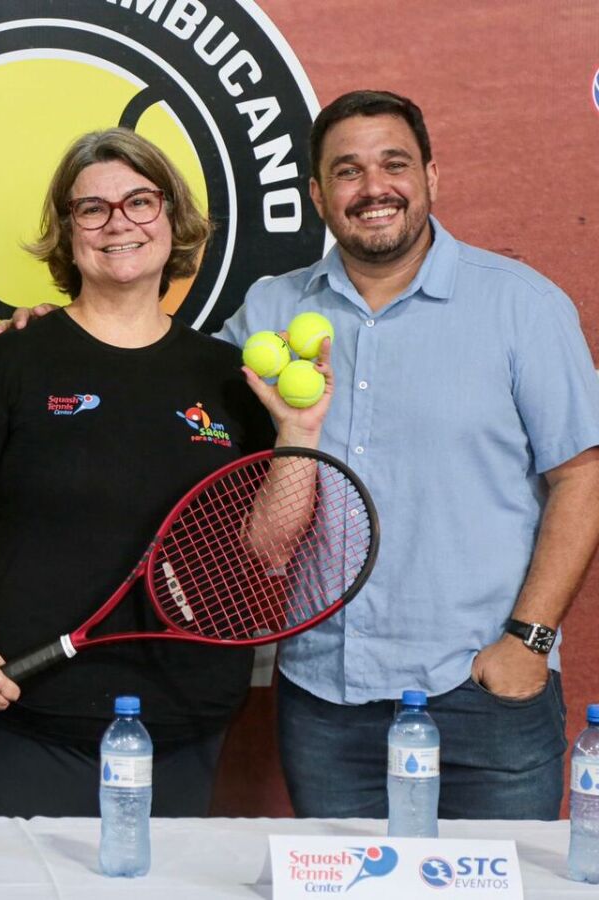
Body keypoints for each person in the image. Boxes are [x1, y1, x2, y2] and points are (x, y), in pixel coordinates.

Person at [0, 128, 332, 817]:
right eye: (93, 208)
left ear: (172, 219)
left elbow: (270, 546)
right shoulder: (9, 362)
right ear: (67, 231)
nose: (119, 223)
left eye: (140, 201)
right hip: (25, 720)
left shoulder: (227, 376)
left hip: (181, 721)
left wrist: (297, 433)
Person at [215, 90, 599, 819]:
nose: (373, 188)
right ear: (318, 195)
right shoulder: (268, 313)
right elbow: (155, 384)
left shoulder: (521, 305)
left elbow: (583, 478)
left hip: (485, 693)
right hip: (327, 703)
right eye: (348, 171)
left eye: (394, 164)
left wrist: (529, 641)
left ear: (431, 176)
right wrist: (51, 325)